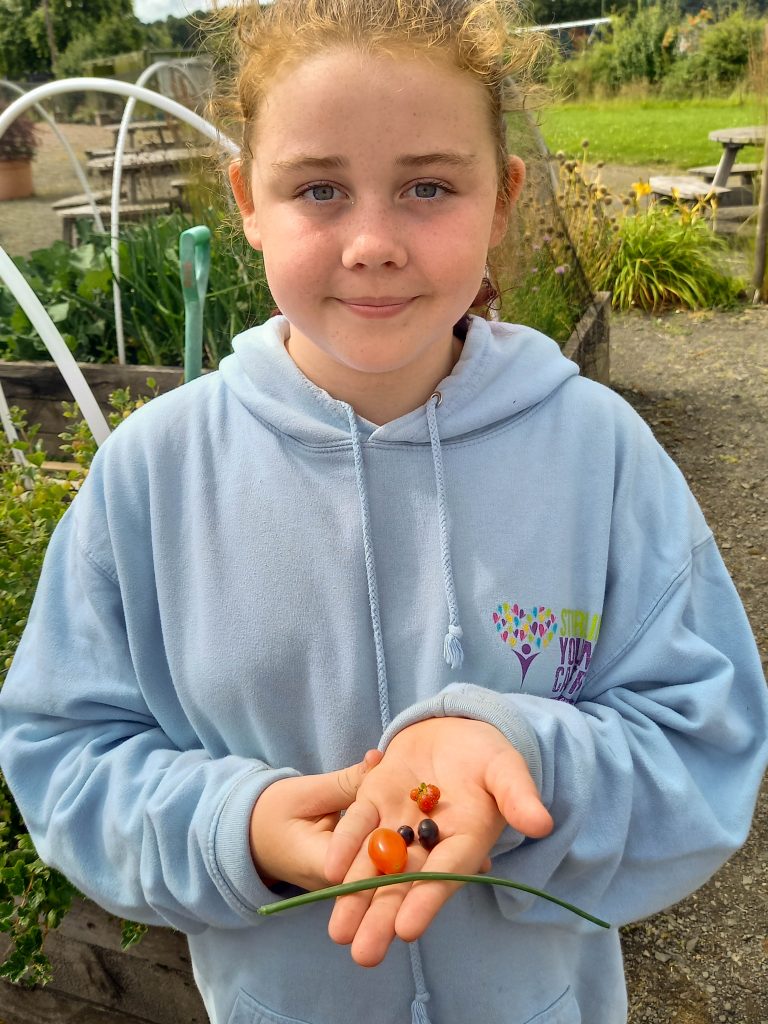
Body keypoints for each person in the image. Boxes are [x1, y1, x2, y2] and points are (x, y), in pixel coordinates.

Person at [1, 1, 766, 1022]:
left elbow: (705, 742)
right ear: (246, 202)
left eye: (428, 187)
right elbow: (66, 755)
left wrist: (523, 763)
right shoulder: (152, 476)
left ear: (502, 201)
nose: (372, 242)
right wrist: (242, 821)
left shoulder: (600, 454)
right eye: (320, 188)